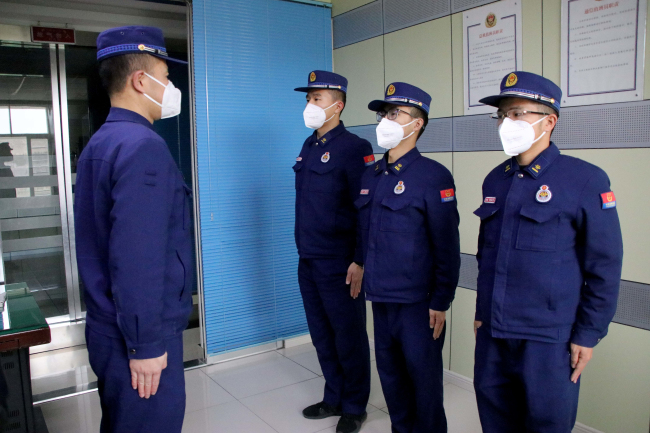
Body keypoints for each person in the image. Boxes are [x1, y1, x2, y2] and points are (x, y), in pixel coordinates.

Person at [472, 71, 624, 433]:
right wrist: (481, 314)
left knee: (547, 424)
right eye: (502, 114)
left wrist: (587, 333)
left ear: (549, 121)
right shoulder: (496, 179)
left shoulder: (584, 180)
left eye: (517, 113)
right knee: (496, 420)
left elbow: (604, 266)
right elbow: (486, 256)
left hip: (548, 338)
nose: (506, 122)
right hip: (494, 332)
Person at [74, 26, 193, 433]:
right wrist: (145, 344)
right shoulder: (143, 146)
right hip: (138, 335)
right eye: (166, 76)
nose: (171, 87)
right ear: (141, 80)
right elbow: (137, 255)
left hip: (109, 327)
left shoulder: (102, 143)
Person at [357, 82, 460, 433]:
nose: (385, 119)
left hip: (418, 303)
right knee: (391, 378)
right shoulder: (372, 174)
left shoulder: (433, 176)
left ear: (417, 124)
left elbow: (446, 246)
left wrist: (441, 300)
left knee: (424, 382)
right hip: (381, 297)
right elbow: (366, 233)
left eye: (395, 113)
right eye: (383, 113)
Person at [293, 70, 373, 433]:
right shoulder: (309, 145)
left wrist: (359, 259)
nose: (310, 104)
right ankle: (334, 396)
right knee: (322, 335)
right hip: (309, 257)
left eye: (317, 98)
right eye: (308, 98)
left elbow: (364, 207)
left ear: (337, 105)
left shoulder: (355, 148)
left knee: (348, 335)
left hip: (340, 261)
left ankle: (354, 405)